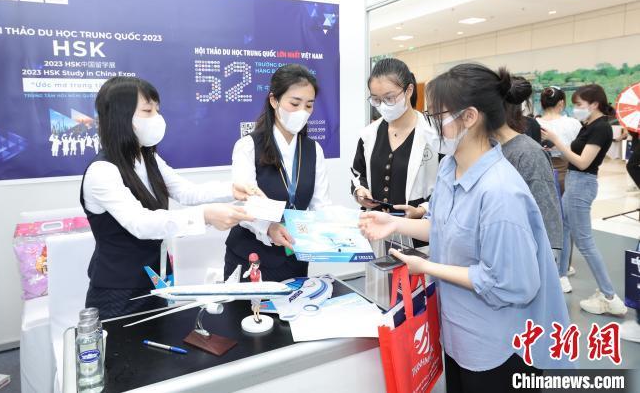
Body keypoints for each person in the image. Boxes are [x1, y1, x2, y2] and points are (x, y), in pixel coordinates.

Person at [360, 63, 574, 392]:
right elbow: (445, 229)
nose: (430, 125)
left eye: (436, 116)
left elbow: (511, 283)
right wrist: (394, 223)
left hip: (497, 347)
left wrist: (427, 267)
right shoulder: (450, 168)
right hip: (457, 334)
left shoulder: (501, 193)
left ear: (470, 117)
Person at [80, 76, 258, 319]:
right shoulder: (102, 171)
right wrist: (205, 216)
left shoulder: (148, 158)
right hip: (118, 291)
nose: (157, 118)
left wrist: (232, 189)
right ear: (120, 117)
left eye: (157, 110)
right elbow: (141, 223)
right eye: (147, 111)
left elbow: (186, 191)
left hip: (156, 279)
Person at [227, 64, 330, 282]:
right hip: (251, 256)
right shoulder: (248, 146)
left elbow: (320, 205)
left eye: (309, 105)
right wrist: (268, 228)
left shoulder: (314, 150)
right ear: (274, 101)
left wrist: (343, 230)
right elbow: (244, 203)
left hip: (294, 256)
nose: (302, 112)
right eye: (295, 103)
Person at [542, 84, 627, 315]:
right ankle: (561, 274)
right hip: (574, 182)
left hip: (581, 184)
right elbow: (576, 155)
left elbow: (582, 162)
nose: (576, 108)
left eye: (579, 104)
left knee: (585, 242)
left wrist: (556, 141)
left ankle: (609, 296)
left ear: (594, 104)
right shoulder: (589, 125)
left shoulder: (601, 128)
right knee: (565, 228)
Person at [351, 58, 438, 238]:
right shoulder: (369, 134)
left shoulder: (433, 134)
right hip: (375, 230)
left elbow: (447, 185)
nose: (383, 105)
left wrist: (422, 209)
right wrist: (360, 191)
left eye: (389, 98)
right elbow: (358, 174)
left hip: (418, 233)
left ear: (409, 90)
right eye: (376, 99)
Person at [496, 78, 563, 265]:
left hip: (522, 256)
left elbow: (546, 212)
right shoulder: (488, 148)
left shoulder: (528, 153)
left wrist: (547, 260)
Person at [537, 86, 581, 194]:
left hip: (539, 176)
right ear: (561, 103)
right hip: (568, 175)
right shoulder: (573, 123)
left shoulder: (534, 123)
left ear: (542, 103)